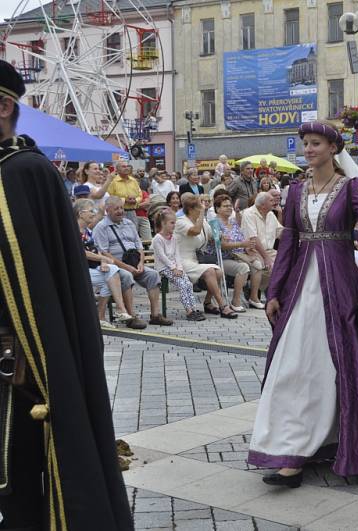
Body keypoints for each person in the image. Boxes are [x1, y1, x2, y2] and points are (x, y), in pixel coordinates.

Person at [0, 59, 134, 529]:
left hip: (17, 356)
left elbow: (35, 279)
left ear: (3, 105)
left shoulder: (24, 172)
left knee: (14, 473)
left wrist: (27, 351)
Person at [248, 121, 358, 486]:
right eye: (305, 143)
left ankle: (341, 442)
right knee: (293, 366)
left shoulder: (352, 187)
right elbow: (289, 245)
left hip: (340, 287)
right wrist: (275, 292)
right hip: (301, 287)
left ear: (333, 148)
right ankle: (289, 450)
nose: (309, 149)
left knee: (333, 366)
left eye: (316, 143)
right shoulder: (295, 191)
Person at [94, 196, 173, 327]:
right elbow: (104, 253)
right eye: (116, 209)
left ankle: (155, 315)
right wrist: (126, 267)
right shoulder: (101, 227)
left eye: (121, 208)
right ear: (107, 210)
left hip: (135, 263)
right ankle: (131, 316)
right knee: (127, 275)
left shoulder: (129, 223)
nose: (120, 211)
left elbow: (139, 246)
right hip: (115, 266)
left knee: (153, 275)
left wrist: (141, 263)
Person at [174, 193, 239, 319]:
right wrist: (203, 214)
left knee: (218, 271)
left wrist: (220, 236)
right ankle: (223, 306)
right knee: (209, 271)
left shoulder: (202, 222)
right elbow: (195, 231)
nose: (202, 209)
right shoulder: (181, 222)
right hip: (182, 260)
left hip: (195, 259)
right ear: (191, 209)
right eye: (199, 207)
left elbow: (211, 236)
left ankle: (208, 302)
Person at [75, 198, 135, 326]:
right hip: (77, 270)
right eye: (91, 211)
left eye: (94, 211)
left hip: (91, 269)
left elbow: (96, 250)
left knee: (110, 276)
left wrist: (103, 262)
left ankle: (103, 317)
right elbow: (81, 252)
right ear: (80, 214)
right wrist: (103, 259)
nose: (94, 214)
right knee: (112, 275)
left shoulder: (88, 231)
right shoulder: (73, 231)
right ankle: (117, 311)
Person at [152, 208, 206, 321]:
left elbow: (177, 255)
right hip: (164, 267)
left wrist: (180, 268)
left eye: (174, 223)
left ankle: (194, 308)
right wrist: (173, 268)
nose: (174, 225)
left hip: (176, 267)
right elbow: (162, 257)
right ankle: (189, 311)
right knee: (182, 284)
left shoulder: (174, 238)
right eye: (172, 223)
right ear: (163, 223)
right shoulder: (157, 238)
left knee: (188, 284)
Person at [241, 191, 284, 307]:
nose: (275, 201)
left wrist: (295, 234)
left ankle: (276, 295)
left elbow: (280, 232)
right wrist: (266, 257)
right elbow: (253, 238)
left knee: (287, 264)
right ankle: (254, 295)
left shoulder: (270, 214)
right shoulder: (249, 213)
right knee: (268, 265)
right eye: (271, 200)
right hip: (253, 250)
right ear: (263, 205)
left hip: (269, 250)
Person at [214, 194, 256, 312]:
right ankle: (236, 301)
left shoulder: (233, 222)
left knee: (258, 264)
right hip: (222, 258)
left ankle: (253, 296)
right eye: (225, 206)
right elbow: (221, 246)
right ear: (217, 209)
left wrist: (247, 248)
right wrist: (242, 245)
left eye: (229, 206)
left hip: (239, 255)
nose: (229, 208)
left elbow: (242, 238)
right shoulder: (214, 223)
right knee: (243, 268)